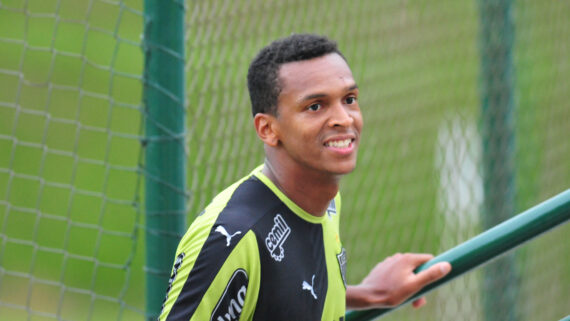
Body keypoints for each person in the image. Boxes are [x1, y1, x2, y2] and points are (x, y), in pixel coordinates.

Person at [158, 34, 452, 321]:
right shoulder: (235, 239)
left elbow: (285, 288)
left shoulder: (326, 200)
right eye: (315, 106)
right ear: (268, 129)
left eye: (349, 99)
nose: (344, 118)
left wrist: (369, 294)